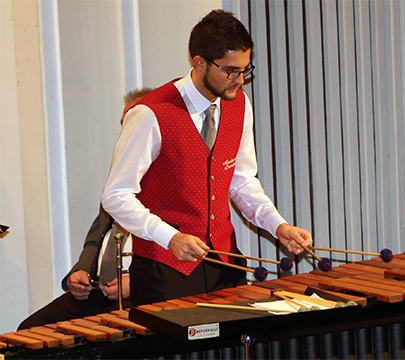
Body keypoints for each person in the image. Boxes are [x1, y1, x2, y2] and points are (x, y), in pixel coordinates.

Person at [101, 9, 313, 307]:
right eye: (230, 70)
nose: (240, 80)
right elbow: (116, 195)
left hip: (224, 262)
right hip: (165, 268)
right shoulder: (150, 114)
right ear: (199, 63)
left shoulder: (239, 105)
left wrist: (278, 226)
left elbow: (241, 182)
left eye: (245, 69)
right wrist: (170, 237)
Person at [17, 88, 153, 330]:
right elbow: (96, 241)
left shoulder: (170, 181)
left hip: (138, 294)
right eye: (124, 124)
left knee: (105, 342)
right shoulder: (118, 176)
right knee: (30, 329)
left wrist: (137, 282)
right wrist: (80, 270)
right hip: (96, 291)